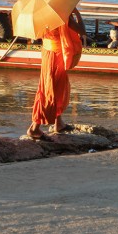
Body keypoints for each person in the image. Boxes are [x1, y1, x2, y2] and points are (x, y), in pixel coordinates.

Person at [26, 9, 86, 140]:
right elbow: (82, 30)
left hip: (48, 52)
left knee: (56, 87)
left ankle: (59, 123)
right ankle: (34, 128)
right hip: (57, 55)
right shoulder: (61, 15)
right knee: (50, 91)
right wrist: (77, 13)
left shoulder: (41, 13)